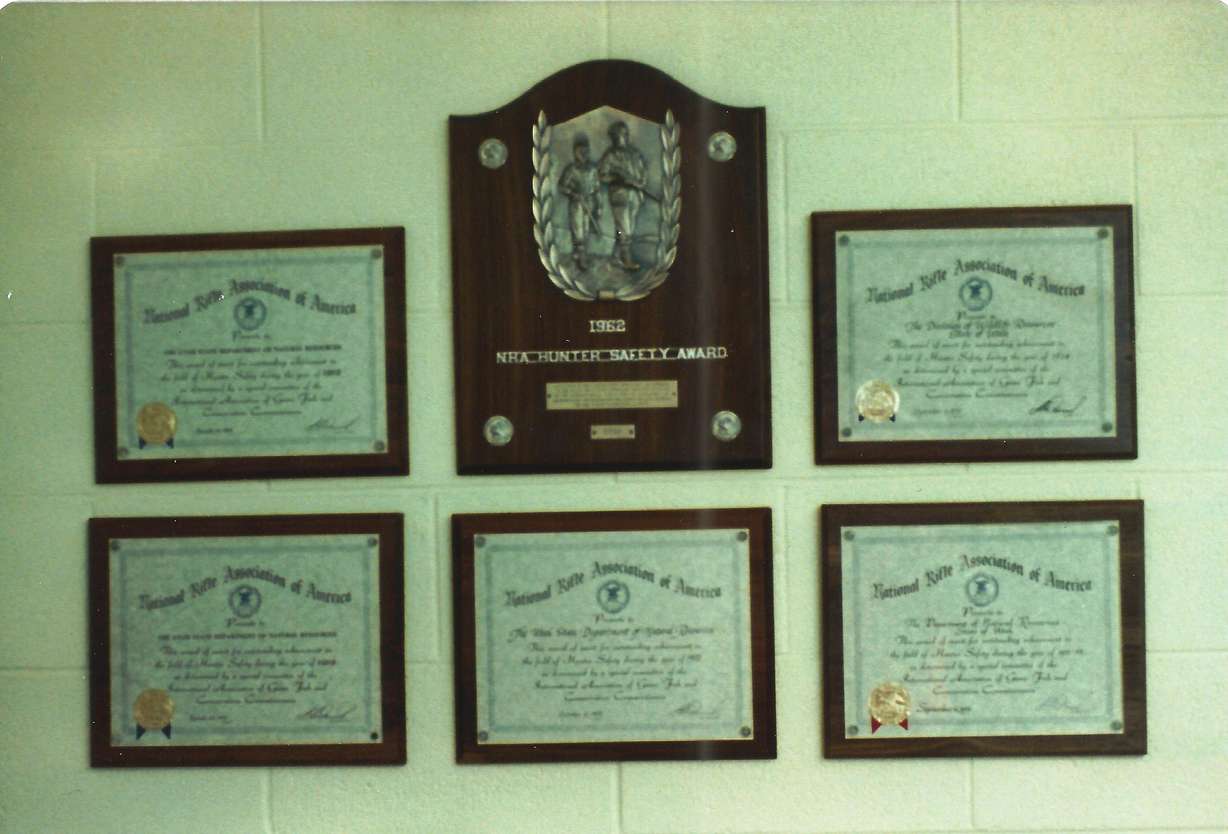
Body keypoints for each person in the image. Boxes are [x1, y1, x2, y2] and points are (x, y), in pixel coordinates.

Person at [597, 120, 647, 270]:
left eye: (624, 133)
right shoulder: (610, 155)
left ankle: (614, 257)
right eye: (619, 134)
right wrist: (618, 178)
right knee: (626, 229)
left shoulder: (634, 153)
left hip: (635, 196)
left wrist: (639, 183)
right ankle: (626, 260)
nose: (622, 136)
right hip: (620, 195)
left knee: (625, 228)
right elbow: (601, 175)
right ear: (614, 136)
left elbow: (643, 173)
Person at [557, 133, 601, 270]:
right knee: (578, 230)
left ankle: (579, 253)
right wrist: (573, 194)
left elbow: (596, 188)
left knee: (586, 230)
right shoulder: (571, 170)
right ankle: (581, 259)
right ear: (575, 152)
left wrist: (598, 206)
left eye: (585, 151)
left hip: (589, 203)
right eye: (580, 151)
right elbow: (562, 186)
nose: (583, 154)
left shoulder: (593, 170)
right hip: (576, 204)